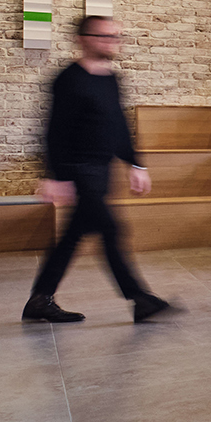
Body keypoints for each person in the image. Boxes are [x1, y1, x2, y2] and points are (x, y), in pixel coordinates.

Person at [23, 17, 175, 324]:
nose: (112, 42)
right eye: (104, 36)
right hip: (78, 171)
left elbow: (118, 125)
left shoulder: (110, 79)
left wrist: (135, 163)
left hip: (102, 170)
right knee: (111, 230)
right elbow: (55, 130)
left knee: (72, 236)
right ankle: (139, 298)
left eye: (116, 37)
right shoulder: (68, 79)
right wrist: (55, 176)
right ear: (84, 39)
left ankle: (40, 299)